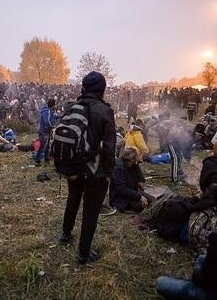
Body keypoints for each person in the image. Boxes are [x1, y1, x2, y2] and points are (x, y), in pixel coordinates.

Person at [59, 71, 116, 264]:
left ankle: (66, 235)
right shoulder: (105, 111)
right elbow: (109, 147)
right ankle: (84, 252)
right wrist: (109, 173)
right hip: (95, 169)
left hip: (73, 165)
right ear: (102, 89)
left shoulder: (72, 106)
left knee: (73, 199)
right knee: (91, 210)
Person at [109, 148, 150, 214]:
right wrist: (139, 196)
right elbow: (122, 190)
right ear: (131, 160)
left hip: (132, 191)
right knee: (144, 204)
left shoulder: (130, 163)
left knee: (151, 200)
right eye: (135, 160)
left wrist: (140, 179)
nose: (135, 162)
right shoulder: (119, 169)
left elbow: (140, 178)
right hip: (122, 199)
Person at [35, 99, 56, 166]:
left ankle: (46, 159)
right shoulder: (46, 111)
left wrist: (60, 116)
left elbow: (53, 117)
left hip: (46, 131)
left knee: (47, 146)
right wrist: (53, 126)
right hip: (44, 131)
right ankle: (37, 161)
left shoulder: (49, 111)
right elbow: (47, 122)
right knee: (42, 146)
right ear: (53, 105)